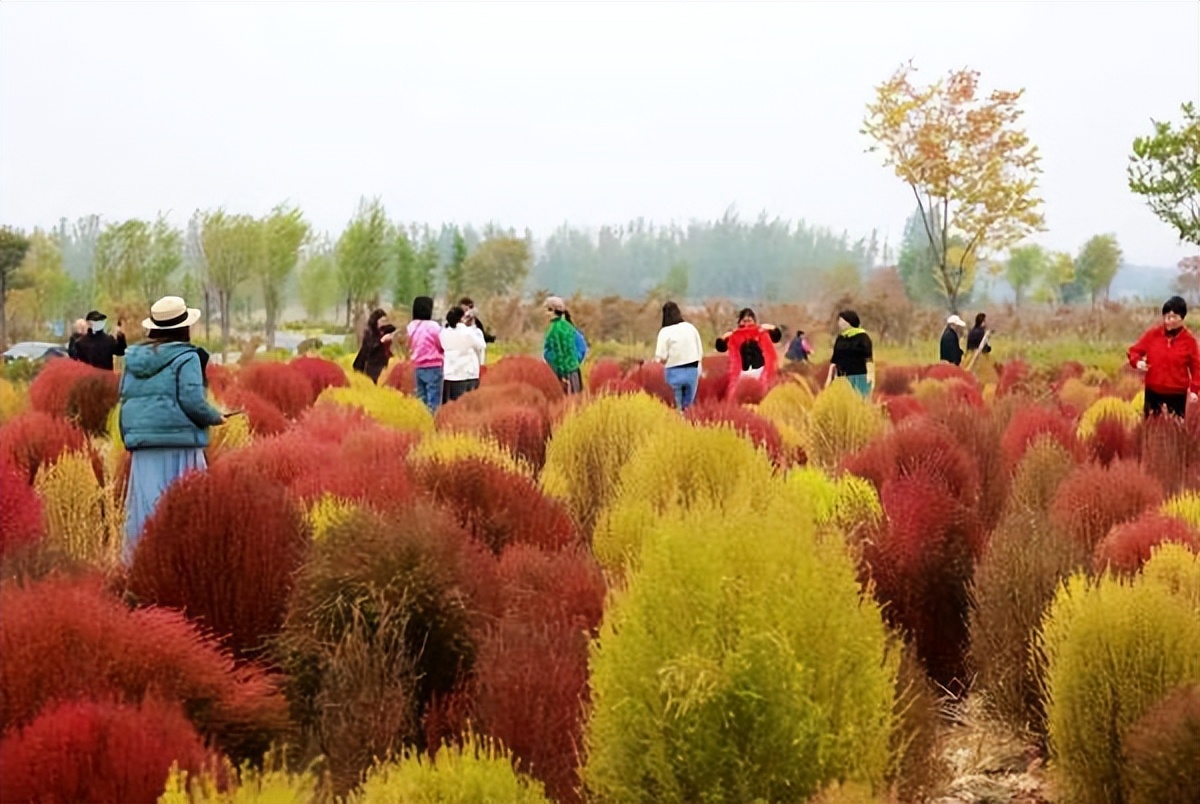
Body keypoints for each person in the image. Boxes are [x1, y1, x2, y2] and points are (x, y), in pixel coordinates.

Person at [119, 295, 228, 560]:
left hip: (143, 447)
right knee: (186, 508)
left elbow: (124, 399)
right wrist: (216, 417)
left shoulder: (133, 359)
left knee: (146, 509)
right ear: (184, 327)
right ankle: (180, 563)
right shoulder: (186, 357)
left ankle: (143, 565)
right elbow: (192, 400)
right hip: (180, 445)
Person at [1128, 295, 1200, 418]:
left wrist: (1194, 390)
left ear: (1182, 318)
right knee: (1151, 430)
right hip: (1153, 392)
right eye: (1167, 316)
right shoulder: (1153, 335)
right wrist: (1137, 362)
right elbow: (1134, 351)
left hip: (1177, 394)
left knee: (1174, 432)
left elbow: (1196, 367)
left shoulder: (1189, 341)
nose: (1169, 320)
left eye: (1173, 317)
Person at [714, 307, 782, 394]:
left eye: (749, 321)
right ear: (740, 322)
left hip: (760, 371)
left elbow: (776, 337)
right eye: (744, 321)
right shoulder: (735, 336)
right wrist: (724, 337)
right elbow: (720, 347)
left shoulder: (761, 332)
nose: (747, 324)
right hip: (741, 372)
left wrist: (770, 327)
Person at [654, 300, 705, 410]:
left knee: (676, 406)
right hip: (692, 370)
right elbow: (700, 351)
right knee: (689, 405)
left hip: (674, 371)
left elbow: (661, 357)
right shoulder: (690, 328)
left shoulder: (664, 331)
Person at [440, 306, 486, 402]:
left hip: (449, 375)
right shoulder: (468, 333)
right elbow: (481, 345)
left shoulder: (443, 333)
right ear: (462, 318)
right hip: (467, 375)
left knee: (450, 406)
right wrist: (473, 325)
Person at [406, 296, 445, 412]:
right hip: (433, 366)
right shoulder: (433, 326)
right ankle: (432, 423)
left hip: (417, 366)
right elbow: (441, 344)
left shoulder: (411, 326)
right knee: (433, 399)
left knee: (421, 398)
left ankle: (422, 420)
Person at [542, 295, 583, 394]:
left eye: (547, 310)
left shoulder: (554, 330)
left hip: (562, 376)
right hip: (575, 373)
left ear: (552, 310)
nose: (545, 314)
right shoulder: (568, 326)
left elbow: (555, 355)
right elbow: (581, 347)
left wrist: (560, 375)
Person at [830, 309, 874, 397]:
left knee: (859, 400)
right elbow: (835, 359)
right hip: (842, 377)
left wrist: (871, 375)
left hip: (859, 376)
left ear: (850, 322)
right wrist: (830, 377)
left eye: (842, 321)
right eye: (839, 321)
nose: (840, 323)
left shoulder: (863, 337)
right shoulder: (840, 338)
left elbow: (868, 358)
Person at [351, 309, 396, 383]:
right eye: (382, 321)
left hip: (384, 363)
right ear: (376, 321)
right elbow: (369, 348)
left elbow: (393, 328)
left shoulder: (384, 330)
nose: (384, 323)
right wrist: (382, 341)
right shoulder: (370, 332)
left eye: (385, 321)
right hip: (373, 365)